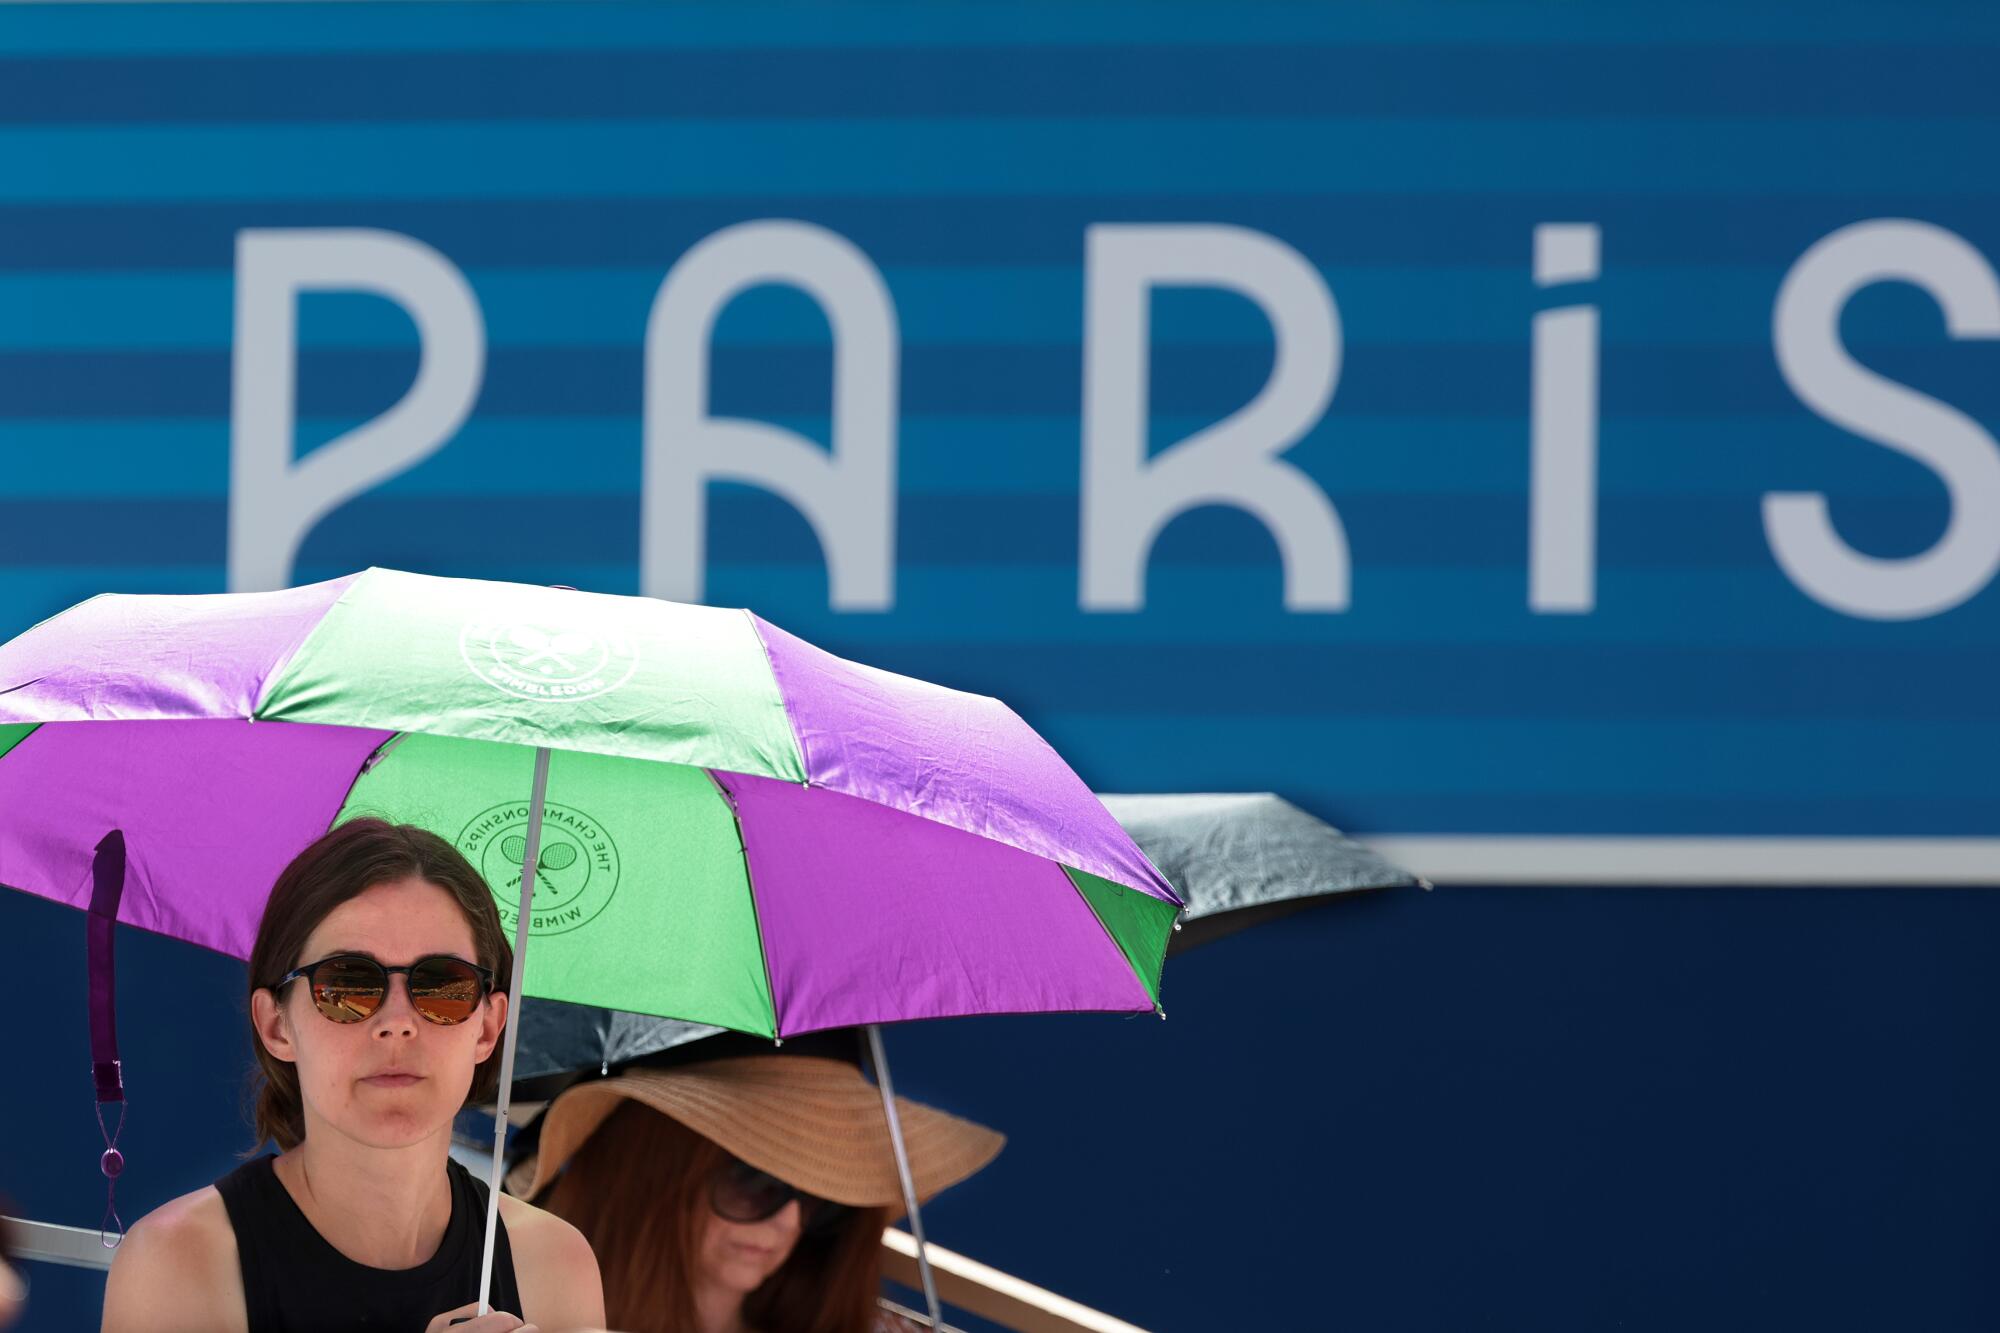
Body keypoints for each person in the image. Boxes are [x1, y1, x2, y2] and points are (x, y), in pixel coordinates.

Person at [100, 818, 606, 1333]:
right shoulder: (179, 1266)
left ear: (489, 1026)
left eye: (442, 987)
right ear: (277, 1024)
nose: (397, 1024)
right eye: (346, 985)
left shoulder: (552, 1265)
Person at [514, 1054, 1003, 1333]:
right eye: (755, 1183)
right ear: (652, 1171)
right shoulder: (505, 1316)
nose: (788, 1223)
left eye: (823, 1199)